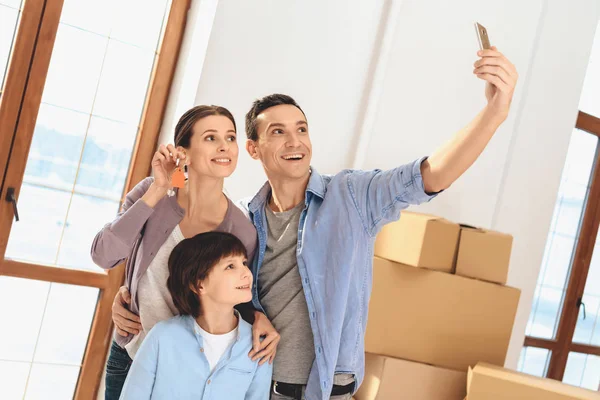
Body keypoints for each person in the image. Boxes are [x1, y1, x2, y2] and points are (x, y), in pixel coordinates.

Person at [240, 47, 518, 399]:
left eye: (302, 129)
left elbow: (429, 174)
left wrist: (495, 112)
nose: (295, 141)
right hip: (260, 386)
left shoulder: (351, 196)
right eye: (278, 132)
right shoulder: (245, 219)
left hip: (328, 390)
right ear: (253, 148)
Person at [91, 105, 278, 400]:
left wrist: (257, 317)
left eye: (230, 138)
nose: (224, 147)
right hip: (130, 352)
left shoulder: (241, 230)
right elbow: (104, 255)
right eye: (210, 138)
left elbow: (236, 299)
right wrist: (157, 190)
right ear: (184, 153)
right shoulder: (152, 195)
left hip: (185, 366)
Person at [119, 231, 272, 399]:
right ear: (199, 284)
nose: (246, 273)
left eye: (244, 263)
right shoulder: (162, 337)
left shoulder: (259, 347)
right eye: (230, 266)